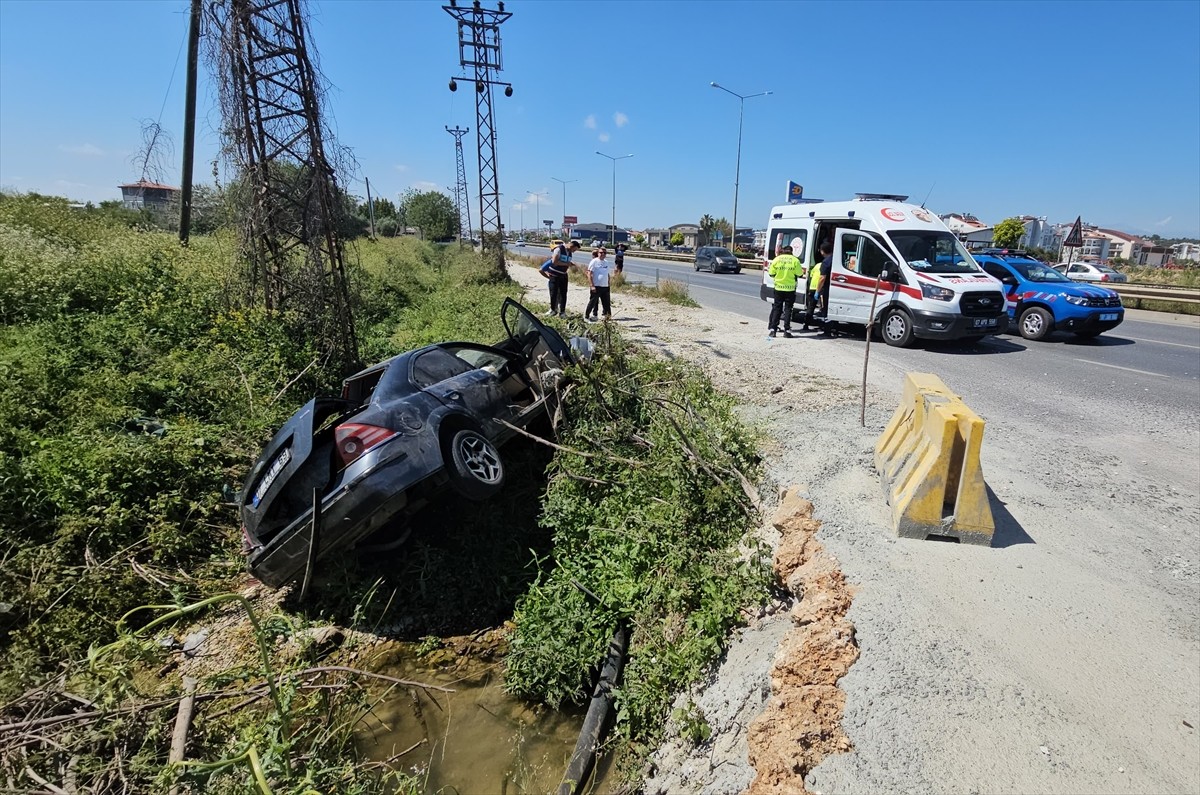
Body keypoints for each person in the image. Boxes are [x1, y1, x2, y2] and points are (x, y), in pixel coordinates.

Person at [766, 244, 802, 338]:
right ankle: (787, 331)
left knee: (777, 309)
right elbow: (800, 274)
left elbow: (771, 273)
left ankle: (773, 330)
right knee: (788, 310)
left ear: (783, 251)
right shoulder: (795, 260)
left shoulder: (777, 259)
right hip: (790, 289)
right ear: (791, 251)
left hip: (778, 288)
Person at [540, 239, 580, 316]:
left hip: (563, 275)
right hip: (555, 275)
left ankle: (562, 312)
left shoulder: (569, 252)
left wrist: (570, 264)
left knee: (563, 294)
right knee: (553, 293)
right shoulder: (559, 249)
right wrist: (566, 264)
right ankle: (552, 310)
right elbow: (554, 261)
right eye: (574, 250)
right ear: (571, 246)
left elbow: (565, 261)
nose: (574, 252)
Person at [585, 247, 613, 322]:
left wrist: (608, 283)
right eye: (601, 252)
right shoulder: (594, 261)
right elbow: (589, 274)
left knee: (606, 304)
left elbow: (607, 274)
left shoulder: (606, 262)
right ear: (598, 253)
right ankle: (586, 316)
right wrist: (592, 285)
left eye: (604, 253)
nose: (602, 254)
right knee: (592, 302)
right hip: (596, 286)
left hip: (605, 286)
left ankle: (607, 318)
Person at [802, 246, 823, 331]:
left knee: (811, 307)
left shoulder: (817, 265)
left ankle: (806, 325)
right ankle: (823, 326)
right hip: (820, 288)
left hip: (812, 287)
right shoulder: (827, 265)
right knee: (823, 308)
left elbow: (811, 275)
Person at [816, 241, 834, 336]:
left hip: (827, 288)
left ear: (822, 251)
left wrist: (817, 291)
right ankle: (831, 328)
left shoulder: (825, 262)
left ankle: (827, 331)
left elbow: (822, 278)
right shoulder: (835, 259)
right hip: (835, 287)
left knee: (826, 309)